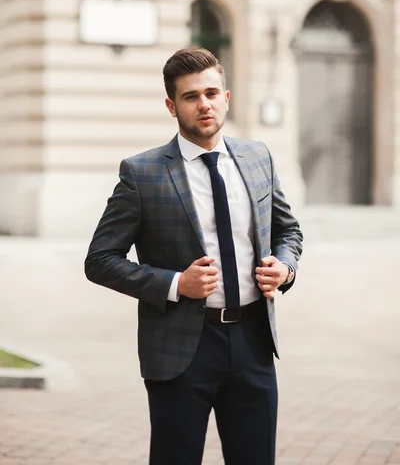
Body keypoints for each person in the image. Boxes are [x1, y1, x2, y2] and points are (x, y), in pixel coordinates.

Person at [85, 47, 303, 465]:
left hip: (253, 340)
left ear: (226, 96)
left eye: (211, 92)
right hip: (182, 346)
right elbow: (100, 259)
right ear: (172, 105)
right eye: (190, 96)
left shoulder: (258, 157)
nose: (204, 104)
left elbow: (287, 230)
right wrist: (174, 284)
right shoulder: (142, 173)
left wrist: (285, 267)